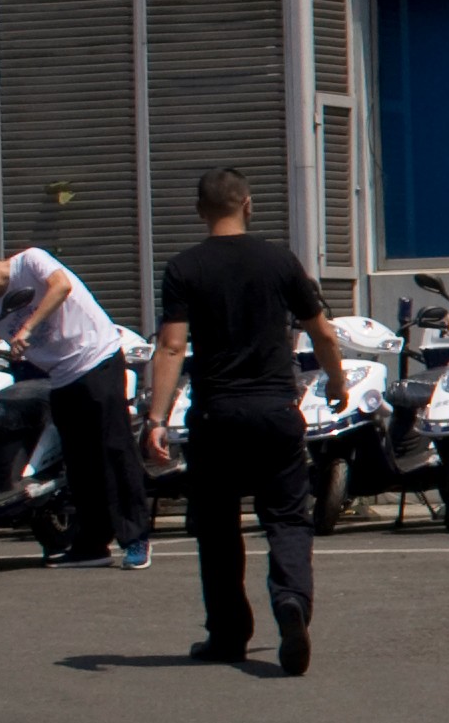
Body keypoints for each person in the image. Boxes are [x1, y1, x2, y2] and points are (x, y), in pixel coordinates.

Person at [140, 168, 343, 673]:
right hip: (276, 409)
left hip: (217, 413)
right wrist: (337, 382)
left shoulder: (185, 267)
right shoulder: (280, 261)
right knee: (288, 518)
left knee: (216, 526)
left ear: (199, 210)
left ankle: (228, 633)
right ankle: (291, 602)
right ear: (248, 205)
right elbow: (322, 333)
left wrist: (156, 418)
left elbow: (171, 345)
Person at [0, 236, 149, 570]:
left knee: (113, 450)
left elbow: (60, 286)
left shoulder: (31, 262)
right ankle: (92, 545)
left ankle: (135, 538)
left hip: (97, 359)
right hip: (61, 378)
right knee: (80, 465)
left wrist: (26, 328)